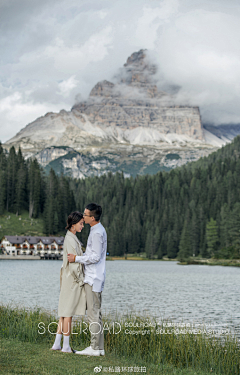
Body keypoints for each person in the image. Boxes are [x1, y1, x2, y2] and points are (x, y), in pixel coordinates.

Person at [67, 203, 107, 356]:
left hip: (93, 278)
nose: (82, 217)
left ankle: (94, 348)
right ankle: (99, 348)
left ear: (92, 217)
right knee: (96, 313)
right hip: (94, 277)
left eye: (85, 215)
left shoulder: (97, 233)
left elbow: (95, 257)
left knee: (93, 314)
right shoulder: (97, 230)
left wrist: (77, 258)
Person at [51, 211, 86, 353]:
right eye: (81, 224)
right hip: (72, 281)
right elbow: (74, 264)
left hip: (68, 280)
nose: (83, 226)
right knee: (68, 313)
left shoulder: (71, 238)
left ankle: (56, 344)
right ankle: (65, 347)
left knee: (64, 312)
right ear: (73, 225)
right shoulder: (71, 240)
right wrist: (81, 280)